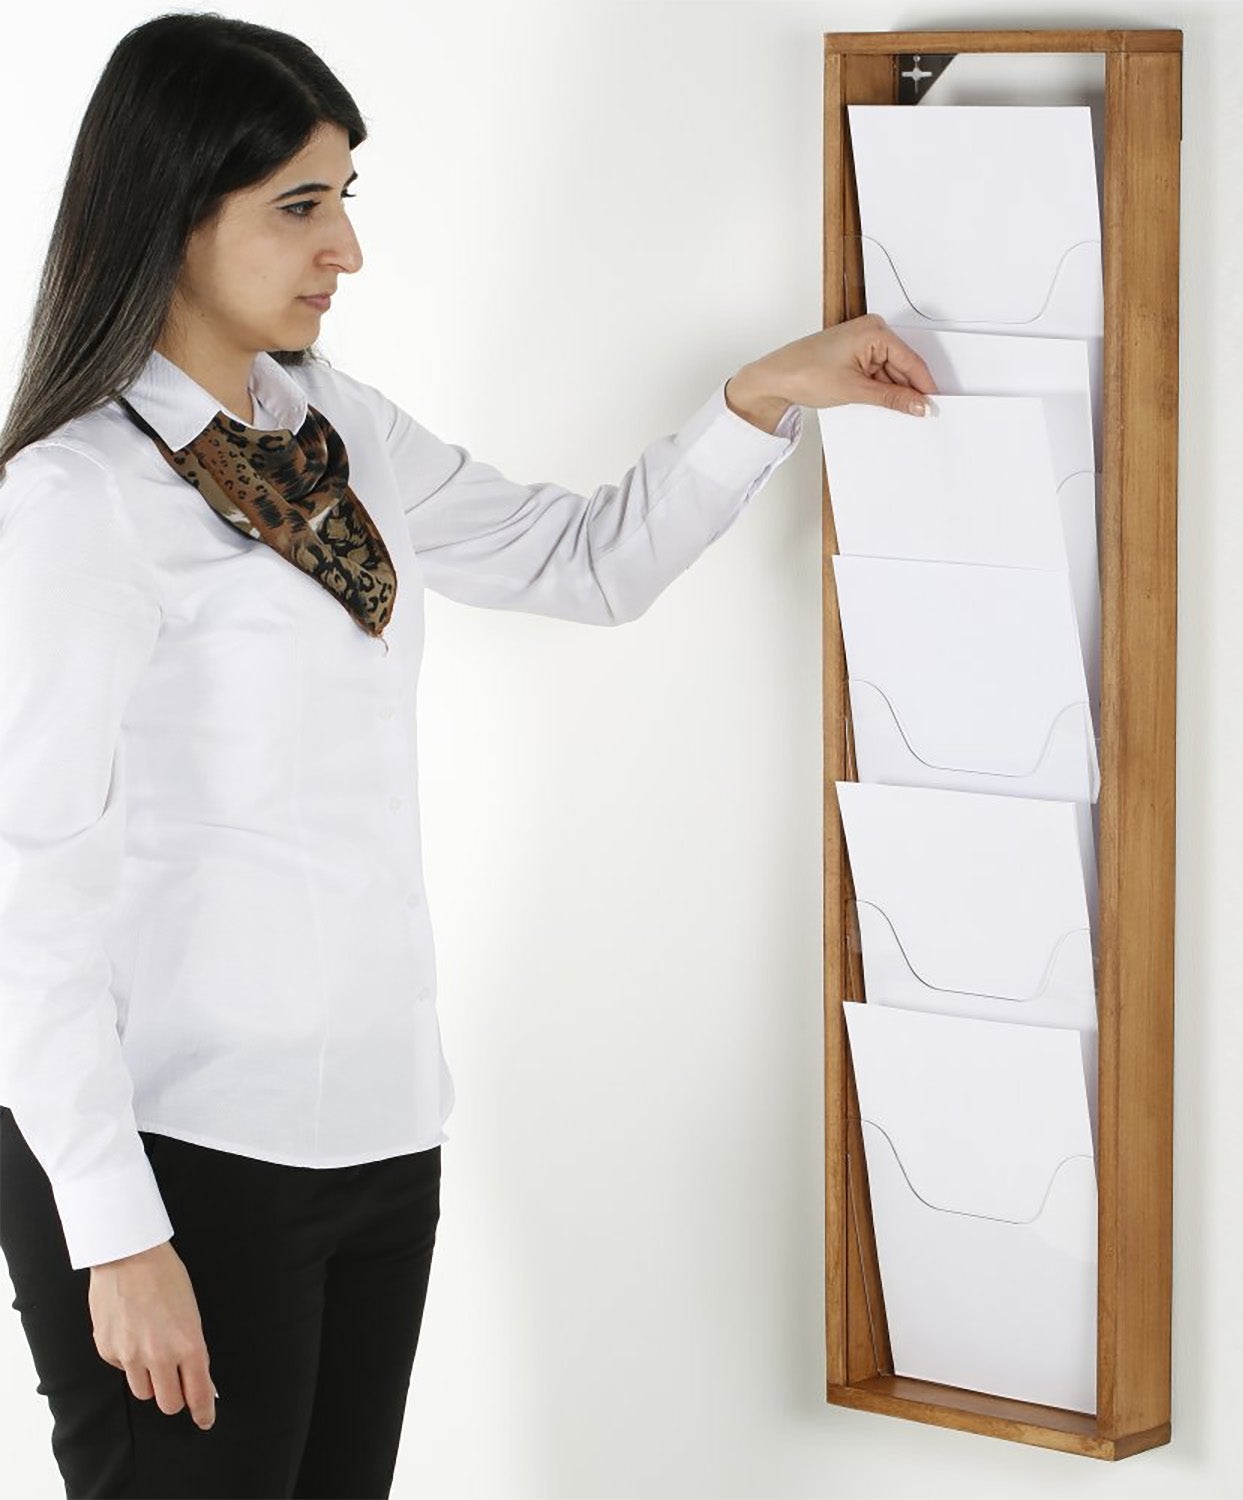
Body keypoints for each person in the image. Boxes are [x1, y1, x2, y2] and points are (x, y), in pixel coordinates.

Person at [0, 13, 936, 1499]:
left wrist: (762, 397)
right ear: (173, 217)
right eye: (300, 207)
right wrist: (112, 1232)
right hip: (180, 1154)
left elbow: (585, 563)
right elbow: (26, 888)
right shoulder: (75, 499)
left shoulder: (336, 430)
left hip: (381, 1135)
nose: (347, 249)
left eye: (345, 197)